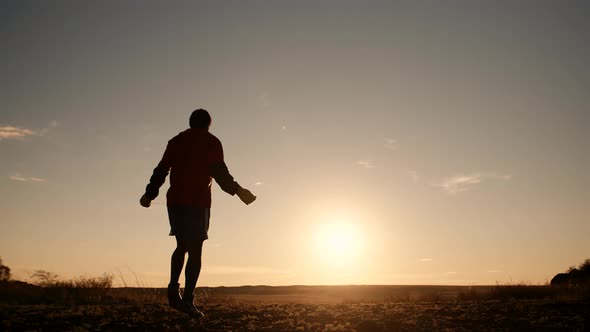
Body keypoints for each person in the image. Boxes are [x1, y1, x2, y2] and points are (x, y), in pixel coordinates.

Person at [139, 109, 256, 317]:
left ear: (191, 122)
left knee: (181, 246)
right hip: (198, 202)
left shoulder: (176, 141)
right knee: (195, 251)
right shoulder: (211, 142)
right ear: (208, 124)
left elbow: (161, 170)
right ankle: (187, 300)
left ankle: (173, 290)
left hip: (175, 201)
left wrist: (149, 194)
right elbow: (220, 173)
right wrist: (239, 191)